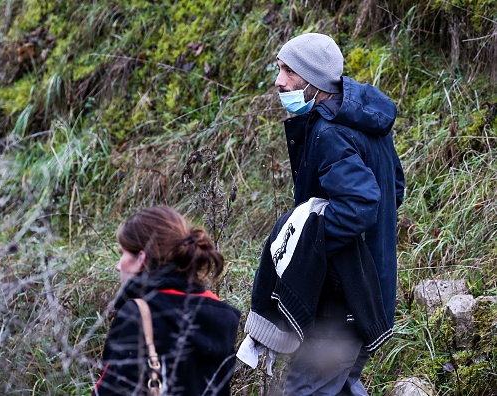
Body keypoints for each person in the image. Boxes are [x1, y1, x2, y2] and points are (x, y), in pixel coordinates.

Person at [238, 33, 405, 395]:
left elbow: (361, 205)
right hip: (369, 288)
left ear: (313, 81)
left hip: (342, 302)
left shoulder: (329, 133)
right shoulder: (364, 121)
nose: (278, 80)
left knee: (307, 389)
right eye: (279, 68)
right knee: (340, 386)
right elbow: (394, 190)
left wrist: (303, 237)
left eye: (288, 71)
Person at [92, 205, 241, 396]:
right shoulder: (219, 313)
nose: (118, 266)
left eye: (123, 253)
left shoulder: (139, 314)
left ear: (141, 259)